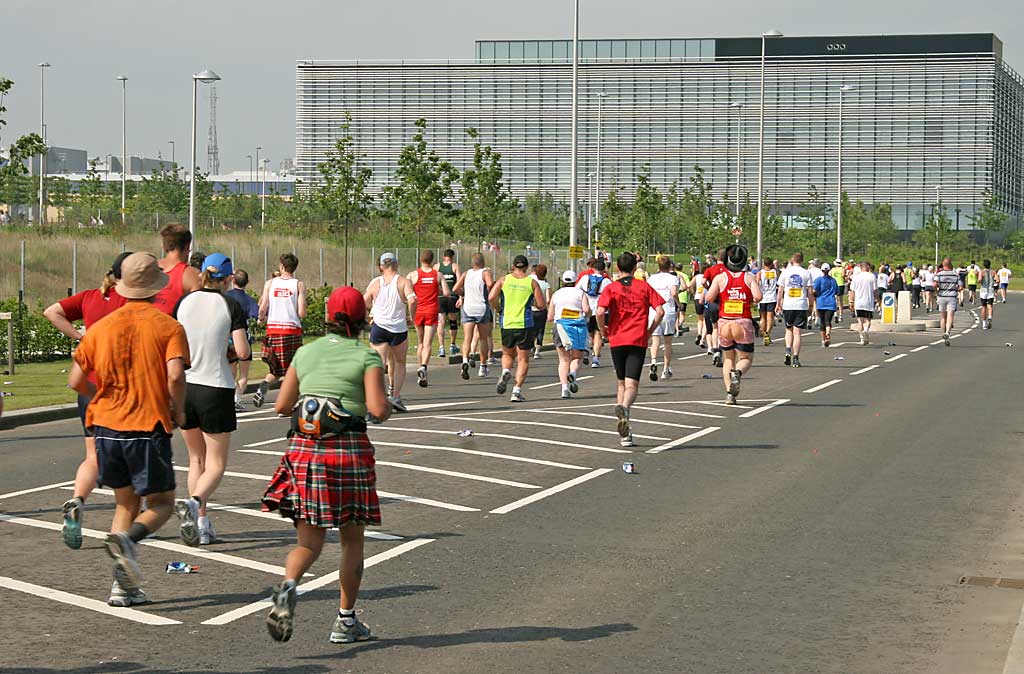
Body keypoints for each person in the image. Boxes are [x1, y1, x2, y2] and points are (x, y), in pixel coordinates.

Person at [262, 286, 391, 644]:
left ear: (328, 317)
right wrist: (387, 404)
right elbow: (378, 410)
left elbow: (281, 406)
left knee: (308, 543)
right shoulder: (366, 356)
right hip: (347, 453)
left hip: (304, 451)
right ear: (362, 319)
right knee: (352, 541)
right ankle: (346, 621)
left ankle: (288, 586)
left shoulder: (305, 352)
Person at [67, 252, 190, 607]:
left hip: (105, 424)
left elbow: (76, 381)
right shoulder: (167, 325)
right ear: (156, 288)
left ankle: (123, 587)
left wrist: (100, 395)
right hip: (146, 424)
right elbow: (176, 375)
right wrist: (177, 410)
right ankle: (129, 540)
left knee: (125, 502)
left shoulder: (101, 327)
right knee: (162, 503)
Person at [43, 253, 130, 550]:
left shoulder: (91, 297)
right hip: (120, 389)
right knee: (128, 457)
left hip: (88, 386)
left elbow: (51, 312)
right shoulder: (132, 304)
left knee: (93, 454)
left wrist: (80, 336)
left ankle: (77, 500)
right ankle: (126, 523)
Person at [173, 253, 251, 546]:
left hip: (186, 385)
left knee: (196, 459)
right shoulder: (230, 304)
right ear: (229, 278)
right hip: (215, 386)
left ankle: (201, 523)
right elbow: (242, 351)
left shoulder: (184, 302)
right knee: (216, 464)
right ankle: (194, 503)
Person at [597, 252, 665, 448]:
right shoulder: (643, 286)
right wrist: (651, 330)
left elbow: (600, 311)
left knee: (621, 384)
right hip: (637, 338)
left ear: (617, 268)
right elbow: (660, 310)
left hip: (617, 338)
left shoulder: (611, 288)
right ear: (635, 268)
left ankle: (625, 434)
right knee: (632, 385)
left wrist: (604, 330)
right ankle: (625, 409)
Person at [704, 245, 761, 405]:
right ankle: (739, 372)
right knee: (746, 358)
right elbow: (758, 296)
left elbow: (708, 298)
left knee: (728, 358)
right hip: (742, 321)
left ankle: (730, 394)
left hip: (724, 322)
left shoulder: (720, 278)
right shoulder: (748, 277)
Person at [489, 255, 546, 402]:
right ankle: (516, 390)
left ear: (513, 266)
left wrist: (499, 308)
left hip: (507, 323)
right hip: (525, 324)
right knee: (523, 359)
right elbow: (541, 304)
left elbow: (491, 297)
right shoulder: (531, 282)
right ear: (526, 268)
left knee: (507, 354)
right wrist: (531, 300)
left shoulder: (504, 280)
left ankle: (506, 371)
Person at [364, 252, 416, 412]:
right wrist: (412, 317)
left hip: (379, 326)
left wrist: (367, 318)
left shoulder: (375, 283)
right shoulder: (403, 281)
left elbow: (364, 301)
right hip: (398, 328)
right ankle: (396, 397)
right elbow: (413, 299)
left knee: (377, 364)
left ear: (381, 266)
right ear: (396, 264)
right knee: (400, 362)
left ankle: (377, 398)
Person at [254, 254, 307, 408]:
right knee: (296, 367)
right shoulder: (298, 285)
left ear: (281, 266)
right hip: (292, 330)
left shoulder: (270, 283)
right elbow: (302, 312)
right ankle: (293, 399)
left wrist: (261, 318)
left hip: (273, 330)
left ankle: (265, 384)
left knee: (276, 368)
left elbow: (263, 307)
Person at [407, 249, 450, 389]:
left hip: (418, 311)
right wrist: (437, 290)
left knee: (420, 343)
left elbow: (407, 293)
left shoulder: (413, 275)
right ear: (432, 260)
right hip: (431, 310)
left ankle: (421, 369)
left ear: (421, 259)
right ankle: (424, 367)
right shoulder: (438, 275)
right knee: (428, 343)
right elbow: (447, 292)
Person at [548, 270, 591, 399]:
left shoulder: (556, 294)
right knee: (576, 357)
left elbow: (550, 316)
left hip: (560, 326)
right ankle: (572, 373)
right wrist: (586, 316)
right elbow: (587, 310)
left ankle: (564, 388)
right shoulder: (580, 293)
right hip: (578, 327)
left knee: (563, 359)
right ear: (575, 281)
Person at [452, 253, 494, 379]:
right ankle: (483, 366)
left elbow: (455, 288)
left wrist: (464, 294)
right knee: (482, 338)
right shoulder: (485, 272)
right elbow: (490, 284)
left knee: (467, 337)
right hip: (481, 307)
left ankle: (465, 361)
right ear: (483, 262)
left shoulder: (466, 273)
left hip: (468, 307)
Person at [225, 269, 260, 412]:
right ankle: (237, 398)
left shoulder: (226, 296)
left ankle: (229, 398)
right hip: (244, 337)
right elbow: (257, 317)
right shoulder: (249, 300)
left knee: (231, 371)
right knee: (244, 373)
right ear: (247, 282)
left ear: (233, 281)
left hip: (228, 339)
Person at [152, 224, 201, 314]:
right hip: (173, 325)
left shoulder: (150, 267)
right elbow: (197, 312)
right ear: (187, 247)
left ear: (164, 246)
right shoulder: (192, 275)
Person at [775, 252, 812, 368]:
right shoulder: (806, 273)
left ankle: (787, 350)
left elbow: (780, 290)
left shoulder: (785, 272)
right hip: (800, 304)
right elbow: (810, 292)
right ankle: (795, 358)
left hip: (788, 304)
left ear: (792, 260)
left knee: (788, 330)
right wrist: (811, 305)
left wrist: (778, 304)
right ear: (802, 260)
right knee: (797, 333)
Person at [647, 256, 680, 381]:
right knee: (668, 342)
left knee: (655, 340)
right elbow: (674, 293)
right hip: (668, 310)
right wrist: (678, 303)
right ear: (670, 266)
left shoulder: (652, 278)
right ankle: (666, 369)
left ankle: (654, 361)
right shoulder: (673, 278)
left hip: (654, 310)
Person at [576, 259, 612, 367]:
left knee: (588, 333)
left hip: (587, 310)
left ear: (593, 268)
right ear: (604, 269)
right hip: (601, 310)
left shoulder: (585, 278)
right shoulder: (607, 281)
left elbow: (577, 290)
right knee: (598, 334)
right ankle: (595, 358)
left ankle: (587, 351)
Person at [703, 249, 728, 367]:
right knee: (725, 327)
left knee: (715, 327)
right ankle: (722, 350)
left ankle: (715, 350)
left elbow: (703, 282)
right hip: (725, 302)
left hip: (714, 301)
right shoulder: (729, 270)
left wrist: (709, 287)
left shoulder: (710, 270)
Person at [435, 249, 461, 357]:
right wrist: (461, 297)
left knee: (440, 322)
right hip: (452, 297)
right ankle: (452, 345)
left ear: (443, 256)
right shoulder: (455, 266)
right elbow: (459, 282)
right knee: (452, 321)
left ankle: (441, 347)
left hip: (440, 297)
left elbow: (433, 282)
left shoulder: (436, 267)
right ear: (452, 257)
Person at [848, 261, 878, 345]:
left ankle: (861, 338)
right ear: (867, 267)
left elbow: (852, 291)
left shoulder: (856, 277)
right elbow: (875, 290)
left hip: (858, 301)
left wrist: (851, 301)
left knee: (860, 321)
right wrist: (878, 300)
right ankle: (866, 330)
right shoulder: (872, 276)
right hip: (868, 301)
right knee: (868, 320)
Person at [935, 258, 961, 346]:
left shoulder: (939, 274)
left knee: (943, 317)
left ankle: (943, 334)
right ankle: (947, 333)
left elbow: (934, 284)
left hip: (941, 295)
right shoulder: (956, 275)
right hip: (952, 296)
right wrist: (956, 289)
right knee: (950, 316)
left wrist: (937, 291)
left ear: (943, 264)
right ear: (950, 265)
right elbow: (961, 286)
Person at [813, 262, 839, 347]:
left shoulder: (818, 280)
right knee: (828, 321)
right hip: (831, 303)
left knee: (822, 322)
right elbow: (837, 292)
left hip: (821, 302)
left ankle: (823, 339)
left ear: (822, 270)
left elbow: (815, 291)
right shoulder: (833, 280)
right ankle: (828, 333)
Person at [530, 264, 552, 359]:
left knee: (531, 329)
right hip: (542, 311)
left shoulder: (532, 283)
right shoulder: (546, 285)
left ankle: (531, 347)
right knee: (540, 330)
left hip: (531, 310)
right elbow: (548, 300)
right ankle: (537, 351)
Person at [757, 258, 778, 346]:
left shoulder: (760, 273)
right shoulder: (775, 272)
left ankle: (763, 331)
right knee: (770, 317)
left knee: (762, 317)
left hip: (762, 297)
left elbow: (757, 283)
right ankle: (767, 333)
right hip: (772, 297)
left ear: (763, 264)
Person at [978, 259, 997, 329]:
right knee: (990, 306)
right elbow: (997, 280)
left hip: (983, 291)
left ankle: (984, 324)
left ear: (984, 265)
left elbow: (979, 280)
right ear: (990, 265)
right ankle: (990, 317)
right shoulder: (993, 272)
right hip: (991, 291)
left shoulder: (981, 272)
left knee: (983, 307)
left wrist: (980, 280)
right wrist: (994, 281)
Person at [674, 261, 691, 333]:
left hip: (675, 296)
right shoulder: (685, 276)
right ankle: (679, 325)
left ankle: (676, 326)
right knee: (682, 313)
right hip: (683, 296)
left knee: (676, 313)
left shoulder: (674, 275)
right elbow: (687, 286)